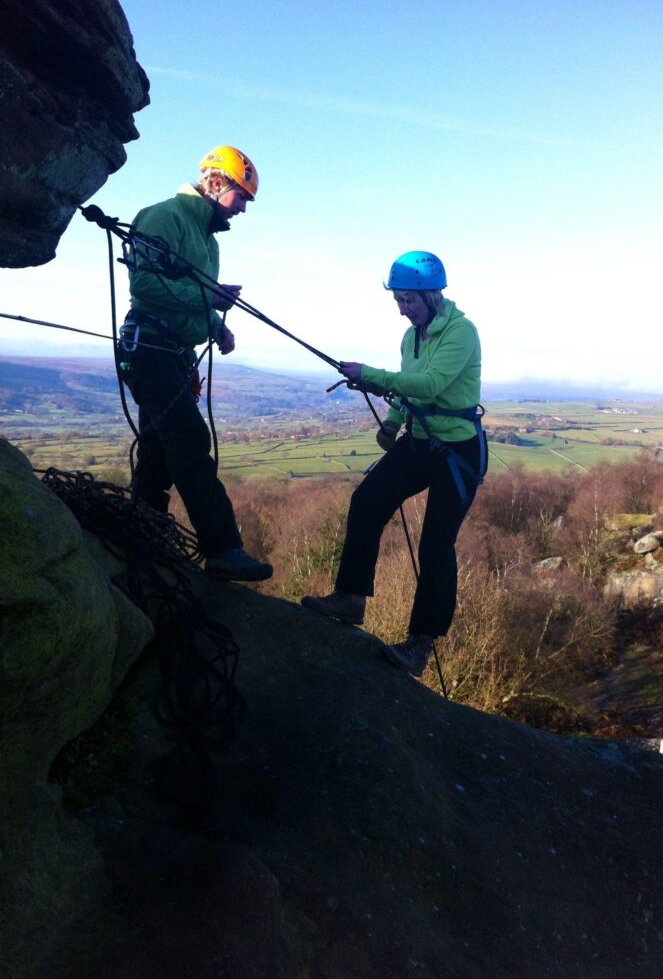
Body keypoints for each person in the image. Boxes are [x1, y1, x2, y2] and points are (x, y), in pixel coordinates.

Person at [302, 251, 485, 676]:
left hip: (456, 451)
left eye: (409, 300)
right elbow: (411, 394)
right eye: (399, 301)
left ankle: (421, 644)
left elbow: (432, 383)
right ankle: (350, 598)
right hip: (420, 440)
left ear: (432, 295)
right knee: (367, 500)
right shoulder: (413, 337)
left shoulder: (461, 332)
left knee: (436, 545)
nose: (403, 309)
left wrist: (371, 374)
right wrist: (392, 423)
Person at [120, 145, 272, 582]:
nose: (243, 209)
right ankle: (223, 548)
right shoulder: (163, 217)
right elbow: (146, 286)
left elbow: (189, 296)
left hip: (172, 354)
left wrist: (215, 325)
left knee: (158, 453)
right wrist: (211, 299)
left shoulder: (206, 239)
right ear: (217, 183)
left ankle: (140, 532)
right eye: (241, 197)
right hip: (150, 347)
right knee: (188, 437)